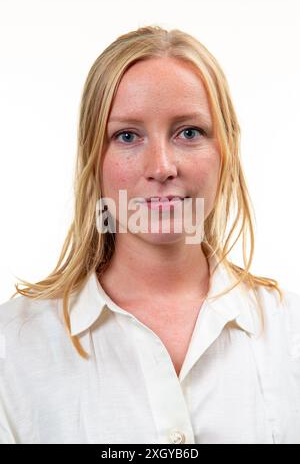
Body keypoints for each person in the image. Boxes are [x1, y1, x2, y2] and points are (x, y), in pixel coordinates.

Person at [0, 25, 300, 445]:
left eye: (189, 132)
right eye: (127, 136)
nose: (161, 166)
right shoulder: (12, 348)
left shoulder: (290, 333)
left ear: (226, 149)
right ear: (93, 158)